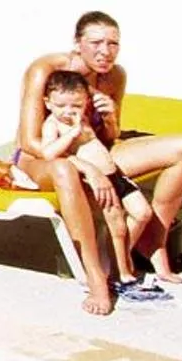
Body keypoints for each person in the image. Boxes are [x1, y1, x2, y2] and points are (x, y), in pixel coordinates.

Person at [15, 11, 182, 314]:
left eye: (113, 44)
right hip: (43, 158)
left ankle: (154, 239)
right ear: (77, 44)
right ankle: (96, 278)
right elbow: (29, 142)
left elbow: (108, 138)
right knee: (65, 168)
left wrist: (110, 117)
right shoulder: (46, 70)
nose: (106, 52)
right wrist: (86, 168)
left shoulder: (115, 76)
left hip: (94, 152)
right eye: (96, 43)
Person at [33, 69, 156, 295]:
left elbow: (106, 137)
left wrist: (107, 117)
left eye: (76, 106)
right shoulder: (54, 124)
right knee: (117, 225)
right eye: (61, 106)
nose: (69, 111)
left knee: (143, 213)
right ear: (48, 103)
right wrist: (72, 134)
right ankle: (122, 271)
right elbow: (49, 153)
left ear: (85, 103)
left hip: (116, 176)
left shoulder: (85, 117)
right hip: (98, 182)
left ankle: (116, 261)